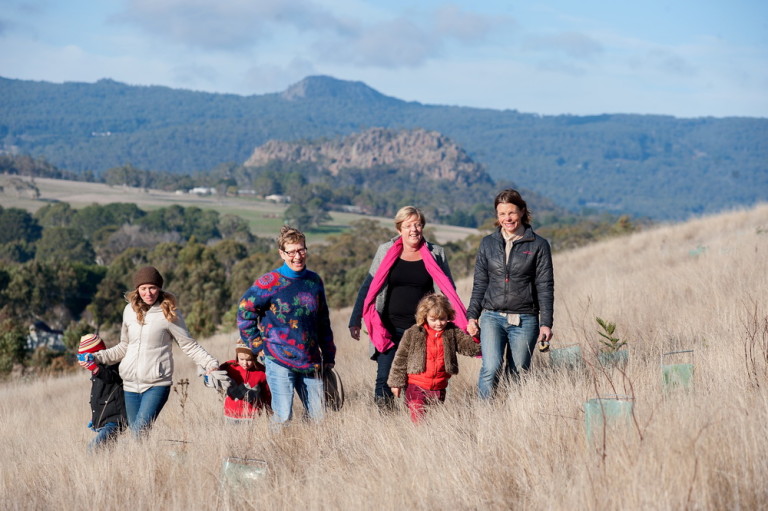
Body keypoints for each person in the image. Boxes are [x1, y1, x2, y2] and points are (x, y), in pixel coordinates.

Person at [348, 206, 468, 412]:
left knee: (417, 381)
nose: (414, 230)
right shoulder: (385, 251)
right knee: (385, 378)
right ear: (399, 229)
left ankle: (414, 423)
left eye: (418, 224)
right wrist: (355, 319)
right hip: (388, 327)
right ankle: (385, 424)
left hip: (421, 331)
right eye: (408, 225)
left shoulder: (436, 253)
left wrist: (459, 322)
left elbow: (448, 291)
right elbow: (369, 286)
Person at [88, 266, 230, 436]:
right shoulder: (129, 311)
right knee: (137, 436)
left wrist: (210, 364)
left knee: (139, 432)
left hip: (156, 384)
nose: (148, 293)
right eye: (143, 288)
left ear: (160, 288)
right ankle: (145, 462)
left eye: (152, 287)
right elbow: (124, 346)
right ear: (137, 290)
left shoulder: (169, 313)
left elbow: (188, 345)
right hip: (130, 386)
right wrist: (96, 357)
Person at [237, 226, 335, 425]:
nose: (297, 256)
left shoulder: (314, 281)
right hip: (278, 358)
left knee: (319, 418)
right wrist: (258, 346)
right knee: (283, 417)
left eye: (301, 250)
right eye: (291, 252)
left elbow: (323, 320)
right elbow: (244, 311)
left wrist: (329, 354)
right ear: (282, 254)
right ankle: (278, 454)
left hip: (310, 359)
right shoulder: (269, 282)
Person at [466, 189, 554, 399]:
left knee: (518, 372)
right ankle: (484, 418)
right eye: (502, 214)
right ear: (497, 216)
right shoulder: (488, 243)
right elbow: (480, 283)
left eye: (511, 212)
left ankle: (512, 417)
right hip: (491, 317)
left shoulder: (538, 245)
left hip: (525, 318)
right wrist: (472, 315)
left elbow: (545, 285)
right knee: (491, 368)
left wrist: (546, 322)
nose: (507, 218)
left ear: (522, 211)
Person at [388, 294, 481, 423]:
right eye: (433, 319)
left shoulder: (452, 332)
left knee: (433, 422)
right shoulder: (413, 333)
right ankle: (418, 440)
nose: (438, 323)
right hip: (416, 385)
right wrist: (396, 383)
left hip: (439, 387)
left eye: (442, 319)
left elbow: (471, 348)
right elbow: (401, 358)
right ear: (425, 316)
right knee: (419, 420)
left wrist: (475, 336)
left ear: (448, 316)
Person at [77, 333, 127, 450]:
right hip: (104, 421)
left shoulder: (113, 364)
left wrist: (95, 368)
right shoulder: (97, 370)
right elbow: (100, 395)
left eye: (86, 356)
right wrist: (95, 417)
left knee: (93, 449)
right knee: (107, 452)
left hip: (115, 420)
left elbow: (110, 378)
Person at [220, 341, 271, 424]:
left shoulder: (261, 372)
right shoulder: (229, 367)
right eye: (241, 359)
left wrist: (270, 411)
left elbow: (267, 394)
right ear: (237, 357)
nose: (245, 363)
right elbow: (215, 374)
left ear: (255, 358)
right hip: (230, 413)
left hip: (252, 416)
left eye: (249, 360)